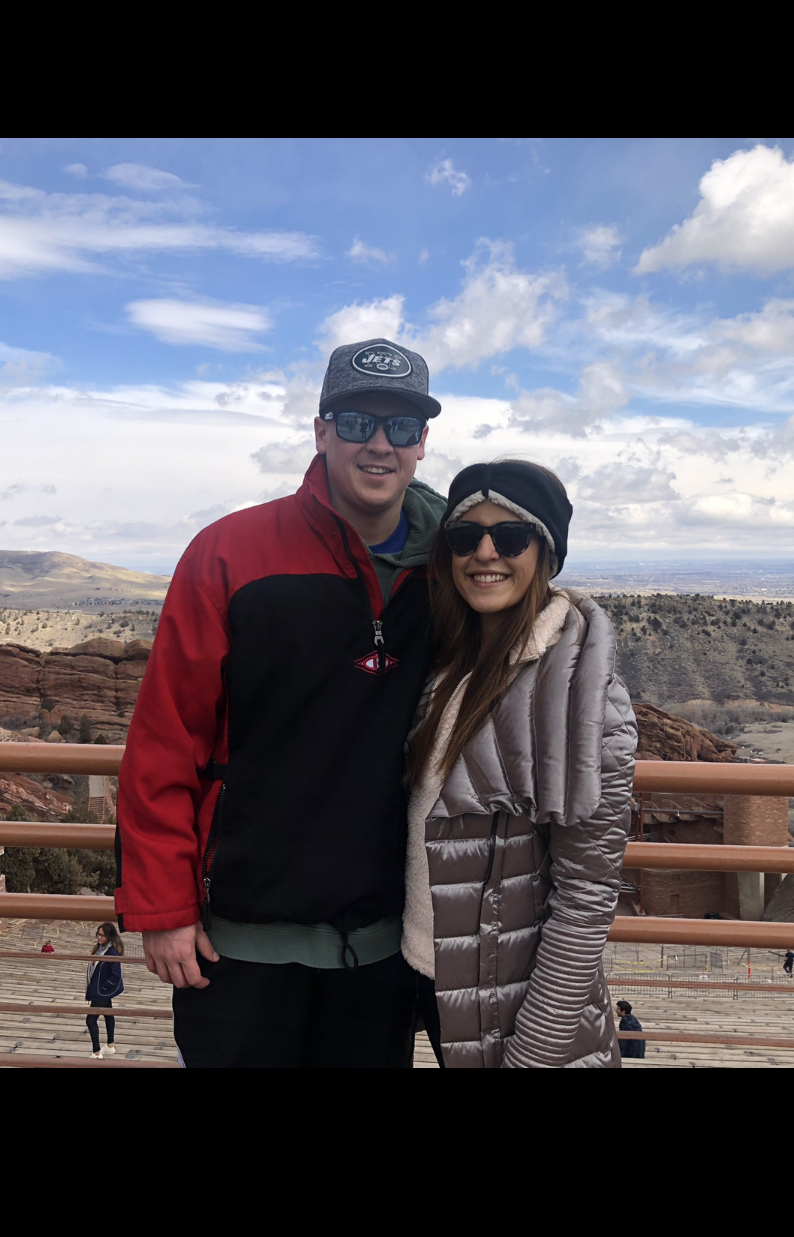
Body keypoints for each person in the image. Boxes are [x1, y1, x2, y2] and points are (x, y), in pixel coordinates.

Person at [117, 338, 447, 1068]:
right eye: (357, 422)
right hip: (237, 941)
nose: (380, 444)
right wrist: (163, 909)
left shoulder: (454, 568)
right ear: (322, 430)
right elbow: (167, 740)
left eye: (401, 426)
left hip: (384, 945)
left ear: (422, 441)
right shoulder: (228, 553)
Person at [402, 461, 637, 1067]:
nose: (485, 553)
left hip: (514, 1007)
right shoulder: (446, 665)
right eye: (465, 536)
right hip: (428, 974)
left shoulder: (581, 693)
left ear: (546, 553)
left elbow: (586, 896)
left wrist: (533, 1054)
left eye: (510, 536)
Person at [86, 923, 125, 1058]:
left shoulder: (112, 952)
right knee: (108, 1014)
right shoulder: (99, 948)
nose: (99, 937)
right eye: (98, 934)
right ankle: (110, 1046)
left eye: (103, 935)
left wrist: (103, 987)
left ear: (110, 936)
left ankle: (96, 1052)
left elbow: (116, 975)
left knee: (90, 1020)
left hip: (101, 991)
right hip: (99, 989)